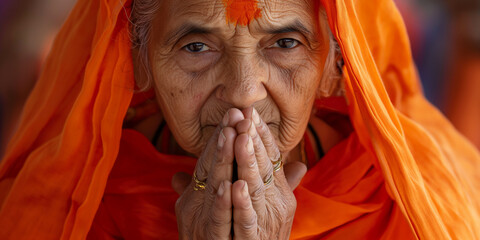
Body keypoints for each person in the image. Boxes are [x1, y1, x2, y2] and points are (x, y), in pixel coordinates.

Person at [0, 0, 479, 239]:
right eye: (196, 47)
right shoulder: (77, 204)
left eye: (285, 44)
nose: (244, 92)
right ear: (139, 63)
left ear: (336, 65)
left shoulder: (407, 209)